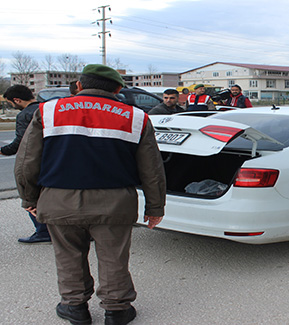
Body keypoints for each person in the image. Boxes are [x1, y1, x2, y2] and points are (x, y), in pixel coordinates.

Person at [14, 64, 166, 325]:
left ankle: (74, 308)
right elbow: (152, 169)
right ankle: (117, 310)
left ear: (80, 86)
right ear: (119, 89)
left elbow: (27, 160)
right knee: (114, 257)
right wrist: (154, 208)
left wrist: (29, 198)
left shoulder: (47, 111)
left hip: (59, 199)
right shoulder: (137, 117)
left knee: (68, 255)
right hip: (115, 202)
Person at [2, 85, 51, 244]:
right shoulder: (47, 108)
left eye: (10, 103)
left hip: (35, 161)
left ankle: (43, 231)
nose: (11, 106)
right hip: (52, 160)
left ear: (17, 100)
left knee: (30, 195)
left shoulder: (25, 115)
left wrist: (3, 150)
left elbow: (22, 143)